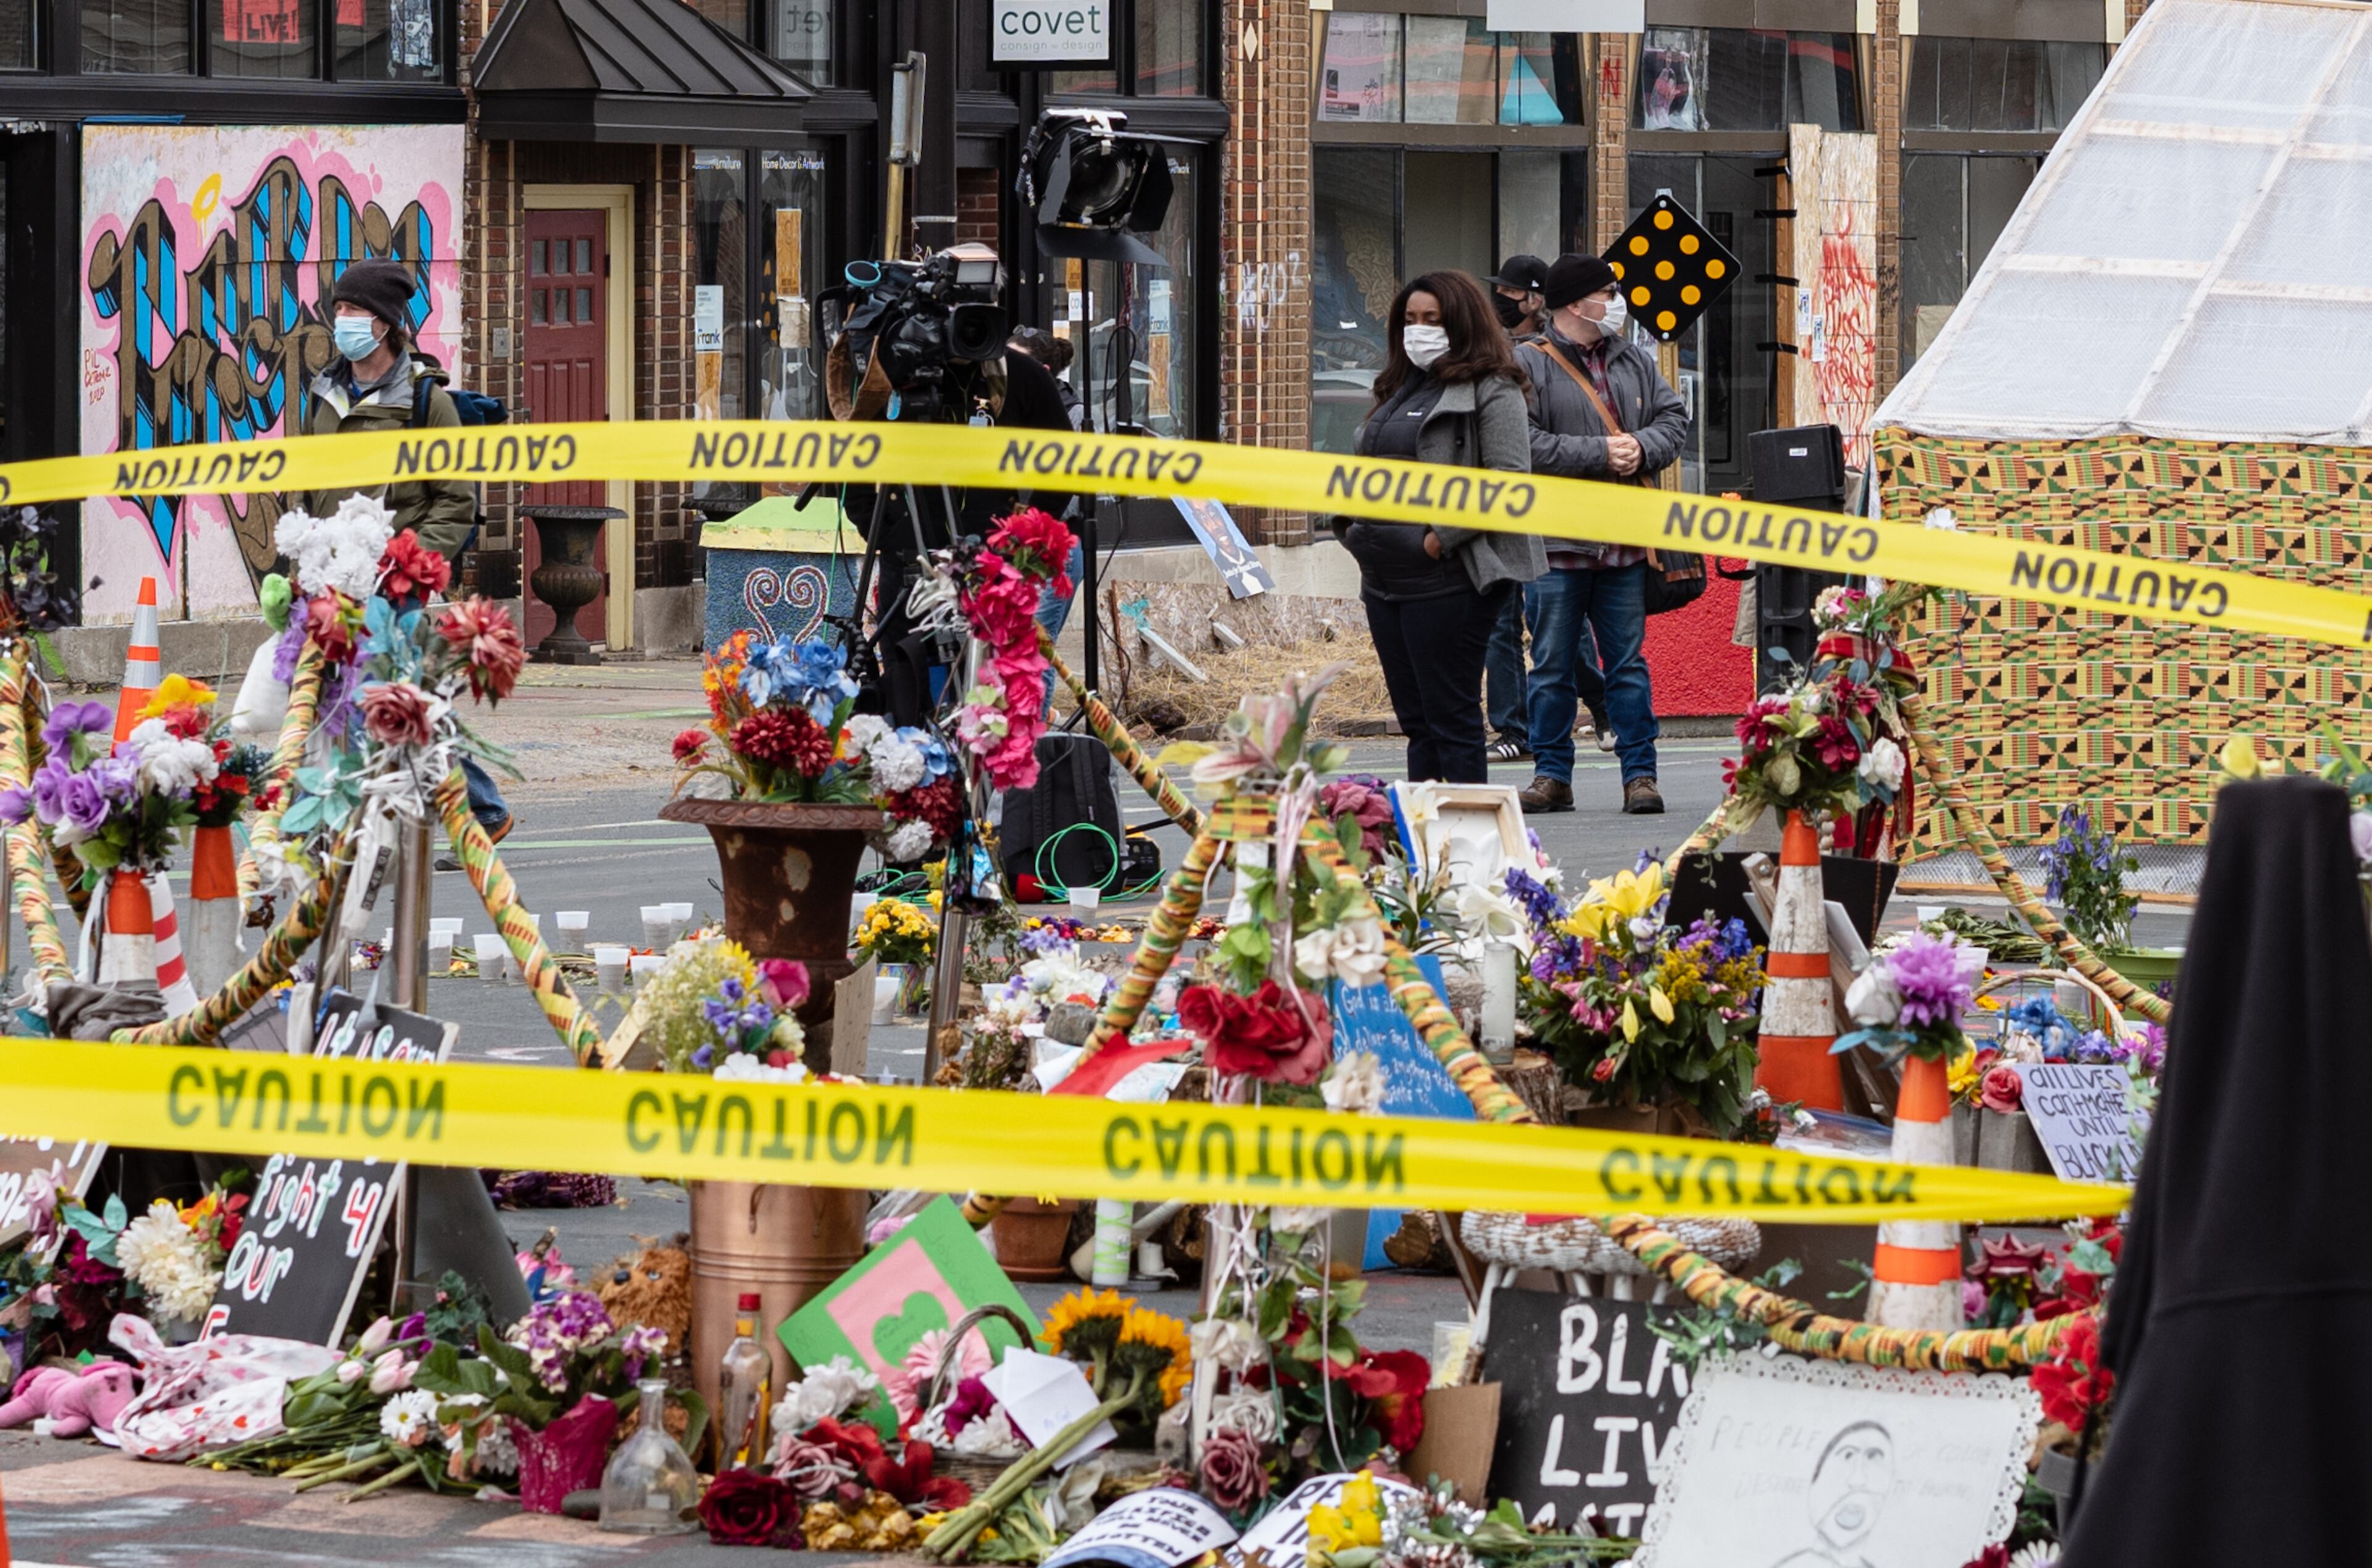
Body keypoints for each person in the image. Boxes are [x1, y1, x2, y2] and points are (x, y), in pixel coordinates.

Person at [297, 259, 514, 846]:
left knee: (398, 699)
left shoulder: (426, 402)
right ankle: (325, 820)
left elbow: (455, 502)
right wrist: (304, 554)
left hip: (394, 584)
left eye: (354, 311)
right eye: (338, 309)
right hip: (333, 578)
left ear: (387, 323)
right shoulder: (324, 391)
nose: (342, 320)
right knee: (331, 696)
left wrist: (408, 562)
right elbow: (309, 481)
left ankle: (480, 809)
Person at [1330, 270, 1544, 784]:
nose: (1418, 330)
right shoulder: (1399, 387)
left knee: (1451, 720)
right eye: (1409, 320)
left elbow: (1508, 484)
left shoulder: (1495, 387)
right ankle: (1421, 849)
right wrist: (1350, 529)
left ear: (1461, 323)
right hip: (1384, 580)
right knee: (1418, 724)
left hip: (1449, 578)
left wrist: (1438, 538)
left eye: (1432, 320)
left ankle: (1467, 850)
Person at [1512, 253, 1689, 816]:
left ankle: (1641, 776)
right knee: (1551, 665)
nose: (1616, 301)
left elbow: (1674, 419)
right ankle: (1551, 775)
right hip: (1555, 545)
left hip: (1626, 546)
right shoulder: (1527, 363)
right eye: (1607, 293)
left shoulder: (1633, 358)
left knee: (1629, 665)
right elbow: (1521, 444)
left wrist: (1643, 447)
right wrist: (1599, 453)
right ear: (1574, 304)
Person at [1484, 254, 1549, 338]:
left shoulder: (1553, 347)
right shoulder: (1492, 343)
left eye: (1509, 290)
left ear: (1534, 302)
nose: (1498, 295)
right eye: (1498, 289)